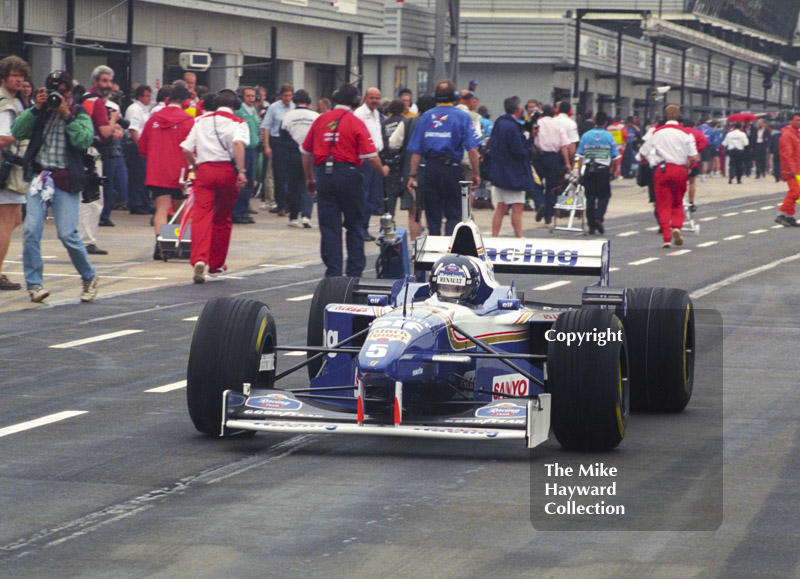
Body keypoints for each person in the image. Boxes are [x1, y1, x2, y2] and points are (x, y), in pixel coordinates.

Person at [12, 69, 98, 302]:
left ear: (69, 93)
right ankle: (34, 284)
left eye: (61, 92)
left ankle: (89, 276)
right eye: (52, 91)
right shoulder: (40, 113)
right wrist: (36, 108)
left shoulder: (78, 113)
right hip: (40, 179)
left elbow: (84, 140)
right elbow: (17, 131)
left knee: (67, 234)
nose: (57, 97)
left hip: (65, 180)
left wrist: (66, 115)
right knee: (30, 230)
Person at [301, 83, 388, 277]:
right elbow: (372, 157)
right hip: (349, 174)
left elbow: (306, 153)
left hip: (324, 175)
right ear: (357, 101)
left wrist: (309, 178)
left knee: (329, 226)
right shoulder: (356, 122)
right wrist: (382, 172)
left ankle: (333, 272)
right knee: (354, 224)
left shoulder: (320, 120)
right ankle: (354, 273)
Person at [180, 89, 249, 283]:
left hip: (204, 171)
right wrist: (242, 171)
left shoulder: (201, 121)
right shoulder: (238, 122)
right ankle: (216, 263)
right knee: (223, 217)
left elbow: (185, 148)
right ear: (235, 105)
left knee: (201, 216)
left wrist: (194, 165)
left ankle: (199, 259)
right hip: (226, 171)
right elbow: (238, 145)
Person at [406, 79, 481, 236]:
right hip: (452, 169)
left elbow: (416, 151)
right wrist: (476, 173)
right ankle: (450, 250)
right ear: (454, 96)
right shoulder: (462, 116)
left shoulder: (426, 117)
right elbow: (472, 150)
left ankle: (434, 252)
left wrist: (412, 176)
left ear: (435, 97)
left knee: (432, 216)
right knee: (454, 214)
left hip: (431, 169)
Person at [138, 84, 194, 245]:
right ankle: (178, 243)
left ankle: (161, 242)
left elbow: (142, 147)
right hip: (180, 172)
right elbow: (193, 148)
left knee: (161, 210)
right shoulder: (188, 121)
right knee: (180, 211)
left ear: (168, 100)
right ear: (186, 102)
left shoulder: (153, 119)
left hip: (157, 172)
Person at [638, 105, 699, 248]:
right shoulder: (686, 134)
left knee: (663, 205)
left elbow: (642, 153)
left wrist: (649, 161)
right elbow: (694, 157)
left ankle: (666, 237)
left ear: (665, 116)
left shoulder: (656, 132)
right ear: (679, 117)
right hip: (679, 170)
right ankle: (677, 226)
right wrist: (688, 167)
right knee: (677, 202)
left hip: (662, 170)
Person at [79, 65, 119, 255]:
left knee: (85, 198)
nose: (108, 85)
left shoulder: (86, 99)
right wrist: (114, 121)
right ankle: (87, 240)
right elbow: (105, 131)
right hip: (92, 153)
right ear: (95, 82)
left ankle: (83, 238)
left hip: (82, 152)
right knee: (93, 198)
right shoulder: (98, 103)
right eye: (104, 81)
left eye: (110, 81)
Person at [0, 55, 30, 291]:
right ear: (4, 77)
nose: (19, 79)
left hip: (10, 169)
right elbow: (2, 138)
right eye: (14, 75)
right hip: (6, 170)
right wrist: (22, 134)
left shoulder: (13, 101)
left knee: (15, 218)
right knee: (6, 221)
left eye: (21, 75)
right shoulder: (5, 104)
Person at [389, 93, 435, 241]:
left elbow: (393, 143)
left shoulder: (408, 123)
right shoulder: (438, 123)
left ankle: (415, 249)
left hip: (412, 173)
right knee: (433, 214)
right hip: (434, 172)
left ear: (418, 107)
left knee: (414, 213)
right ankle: (433, 247)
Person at [488, 96, 535, 238]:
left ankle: (494, 236)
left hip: (498, 170)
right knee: (517, 206)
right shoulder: (513, 127)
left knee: (501, 206)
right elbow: (519, 151)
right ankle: (519, 236)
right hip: (513, 173)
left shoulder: (499, 122)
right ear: (518, 109)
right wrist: (531, 140)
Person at [573, 111, 620, 235]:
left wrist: (579, 173)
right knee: (604, 196)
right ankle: (598, 217)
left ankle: (591, 225)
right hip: (603, 170)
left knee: (590, 197)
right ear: (605, 123)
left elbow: (580, 156)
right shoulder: (609, 137)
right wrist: (613, 171)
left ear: (594, 121)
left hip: (589, 169)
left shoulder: (585, 136)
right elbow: (615, 157)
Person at [280, 89, 318, 228]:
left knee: (293, 185)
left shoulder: (288, 115)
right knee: (309, 183)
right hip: (310, 153)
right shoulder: (315, 116)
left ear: (294, 101)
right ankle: (306, 216)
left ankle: (293, 216)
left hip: (292, 153)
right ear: (309, 102)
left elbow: (282, 136)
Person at [354, 87, 384, 239]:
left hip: (376, 156)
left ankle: (364, 227)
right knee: (364, 195)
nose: (374, 101)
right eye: (372, 98)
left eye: (377, 98)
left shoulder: (377, 114)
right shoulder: (359, 114)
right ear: (365, 98)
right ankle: (359, 228)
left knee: (373, 196)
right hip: (364, 160)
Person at [533, 104, 571, 224]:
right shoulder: (557, 126)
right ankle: (548, 216)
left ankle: (540, 204)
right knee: (552, 188)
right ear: (553, 113)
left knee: (535, 183)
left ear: (542, 113)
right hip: (553, 158)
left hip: (538, 157)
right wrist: (567, 163)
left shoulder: (537, 124)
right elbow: (563, 146)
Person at [261, 83, 295, 217]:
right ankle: (281, 204)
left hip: (291, 141)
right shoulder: (274, 107)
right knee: (279, 174)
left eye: (290, 96)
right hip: (277, 140)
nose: (288, 98)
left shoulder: (294, 107)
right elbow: (266, 127)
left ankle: (290, 202)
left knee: (290, 173)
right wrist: (267, 145)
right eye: (285, 96)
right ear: (281, 96)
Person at [232, 86, 260, 224]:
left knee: (250, 181)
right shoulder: (239, 111)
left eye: (253, 96)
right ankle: (237, 212)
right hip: (244, 148)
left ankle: (243, 210)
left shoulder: (254, 110)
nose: (251, 98)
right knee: (242, 181)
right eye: (248, 96)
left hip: (253, 148)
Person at [775, 112, 800, 227]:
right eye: (797, 120)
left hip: (796, 168)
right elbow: (787, 154)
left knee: (795, 192)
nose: (799, 122)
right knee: (795, 191)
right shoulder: (788, 135)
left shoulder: (795, 134)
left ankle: (789, 216)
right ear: (791, 121)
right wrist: (792, 169)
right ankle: (781, 214)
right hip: (791, 170)